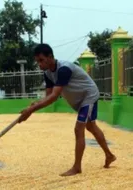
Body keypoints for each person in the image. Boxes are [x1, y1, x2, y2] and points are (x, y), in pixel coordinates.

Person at [18, 43, 116, 176]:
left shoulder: (64, 69)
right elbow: (48, 96)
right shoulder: (47, 73)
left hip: (88, 95)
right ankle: (109, 155)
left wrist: (31, 111)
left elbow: (54, 96)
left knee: (78, 129)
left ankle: (77, 167)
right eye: (37, 61)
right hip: (79, 100)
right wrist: (33, 105)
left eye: (41, 60)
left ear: (50, 57)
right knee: (91, 127)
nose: (39, 64)